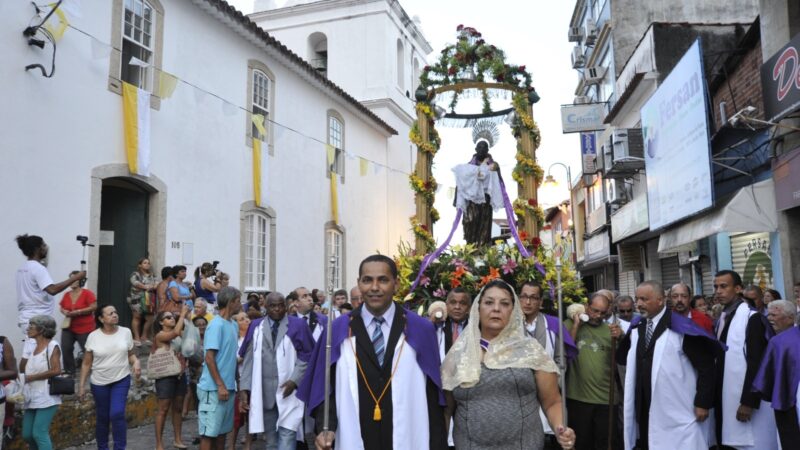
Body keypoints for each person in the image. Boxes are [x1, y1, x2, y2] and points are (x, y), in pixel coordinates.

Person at [298, 254, 447, 450]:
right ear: (359, 284)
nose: (374, 287)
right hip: (355, 433)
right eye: (367, 280)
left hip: (408, 435)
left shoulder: (421, 329)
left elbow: (432, 397)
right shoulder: (338, 330)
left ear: (396, 283)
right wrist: (327, 428)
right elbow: (326, 388)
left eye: (383, 280)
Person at [441, 280, 576, 449]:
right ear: (478, 308)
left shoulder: (531, 350)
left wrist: (559, 428)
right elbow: (446, 410)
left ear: (513, 311)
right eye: (489, 302)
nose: (496, 308)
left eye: (504, 303)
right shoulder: (459, 354)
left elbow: (552, 402)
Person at [617, 281, 718, 450]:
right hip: (644, 404)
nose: (639, 304)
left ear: (660, 300)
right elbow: (623, 358)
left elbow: (706, 366)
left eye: (644, 299)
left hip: (677, 407)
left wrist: (703, 402)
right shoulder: (638, 327)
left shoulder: (682, 328)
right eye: (637, 299)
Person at [239, 292, 315, 450]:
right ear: (265, 307)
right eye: (273, 306)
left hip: (289, 390)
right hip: (264, 391)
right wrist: (245, 388)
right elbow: (248, 359)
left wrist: (295, 380)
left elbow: (307, 355)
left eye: (281, 305)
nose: (277, 309)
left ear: (286, 307)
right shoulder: (256, 326)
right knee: (271, 441)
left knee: (287, 437)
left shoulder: (298, 325)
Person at [712, 270, 777, 450]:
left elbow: (758, 362)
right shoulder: (723, 317)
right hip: (725, 398)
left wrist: (748, 401)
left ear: (738, 288)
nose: (718, 291)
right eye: (716, 287)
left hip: (747, 402)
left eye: (724, 286)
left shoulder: (752, 318)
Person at [564, 292, 624, 450]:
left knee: (605, 444)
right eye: (594, 310)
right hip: (578, 398)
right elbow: (564, 349)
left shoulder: (611, 330)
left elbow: (624, 360)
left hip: (606, 399)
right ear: (586, 306)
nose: (598, 316)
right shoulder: (570, 324)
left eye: (603, 313)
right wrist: (577, 324)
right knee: (581, 443)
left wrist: (622, 337)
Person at [79, 305, 141, 450]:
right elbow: (86, 363)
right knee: (103, 418)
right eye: (110, 313)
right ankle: (103, 447)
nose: (115, 315)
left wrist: (136, 362)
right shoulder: (93, 336)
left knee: (117, 413)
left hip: (121, 379)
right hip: (99, 382)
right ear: (101, 319)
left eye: (115, 312)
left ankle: (120, 447)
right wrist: (81, 386)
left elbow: (131, 354)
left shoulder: (125, 332)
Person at [15, 234, 86, 356]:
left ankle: (26, 375)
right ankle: (29, 375)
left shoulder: (22, 269)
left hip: (27, 318)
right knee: (38, 355)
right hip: (38, 319)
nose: (46, 248)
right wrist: (76, 278)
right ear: (38, 249)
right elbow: (52, 289)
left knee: (31, 353)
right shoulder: (38, 268)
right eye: (43, 245)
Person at [197, 286, 242, 450]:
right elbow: (209, 358)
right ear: (231, 302)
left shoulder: (233, 325)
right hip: (213, 389)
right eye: (238, 301)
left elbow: (231, 359)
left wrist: (237, 384)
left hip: (228, 388)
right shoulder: (216, 325)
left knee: (222, 433)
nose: (240, 304)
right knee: (209, 434)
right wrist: (220, 385)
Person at [752, 300, 800, 448]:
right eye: (769, 314)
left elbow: (765, 380)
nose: (770, 318)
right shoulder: (779, 341)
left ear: (792, 318)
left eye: (774, 315)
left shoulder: (779, 341)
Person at [20, 315, 62, 450]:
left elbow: (56, 370)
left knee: (39, 433)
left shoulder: (52, 346)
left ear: (42, 329)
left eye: (32, 326)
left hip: (47, 396)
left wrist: (31, 377)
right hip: (31, 396)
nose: (28, 329)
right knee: (27, 434)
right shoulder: (33, 348)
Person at [152, 306, 191, 450]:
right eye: (168, 317)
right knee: (163, 408)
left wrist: (186, 317)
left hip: (179, 374)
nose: (172, 318)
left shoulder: (179, 334)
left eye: (172, 316)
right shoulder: (160, 335)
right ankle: (159, 443)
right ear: (161, 322)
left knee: (178, 408)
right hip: (165, 376)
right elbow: (174, 333)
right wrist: (181, 315)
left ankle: (178, 439)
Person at [453, 140, 504, 246]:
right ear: (476, 150)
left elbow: (498, 181)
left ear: (487, 150)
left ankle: (482, 248)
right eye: (479, 147)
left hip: (486, 199)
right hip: (472, 199)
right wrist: (456, 198)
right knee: (470, 220)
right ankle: (470, 246)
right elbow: (462, 181)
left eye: (484, 147)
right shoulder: (469, 166)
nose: (481, 149)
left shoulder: (493, 165)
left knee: (484, 224)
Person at [59, 271, 98, 375]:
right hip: (69, 327)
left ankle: (92, 372)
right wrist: (65, 311)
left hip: (85, 328)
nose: (71, 282)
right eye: (70, 279)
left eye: (74, 279)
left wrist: (79, 312)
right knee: (66, 349)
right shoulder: (66, 295)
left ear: (80, 281)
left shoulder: (87, 293)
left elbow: (94, 307)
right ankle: (70, 372)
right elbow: (61, 307)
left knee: (88, 351)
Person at [230, 312, 252, 450]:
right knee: (236, 418)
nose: (246, 321)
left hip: (251, 381)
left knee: (251, 416)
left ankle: (248, 445)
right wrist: (243, 357)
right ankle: (231, 445)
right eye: (242, 319)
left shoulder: (253, 338)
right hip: (236, 381)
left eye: (247, 318)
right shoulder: (233, 340)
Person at [129, 257, 158, 346]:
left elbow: (156, 284)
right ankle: (136, 337)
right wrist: (147, 287)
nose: (147, 264)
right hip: (137, 298)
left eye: (148, 263)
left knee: (150, 318)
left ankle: (144, 336)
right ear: (140, 265)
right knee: (137, 317)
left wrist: (154, 285)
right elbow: (135, 282)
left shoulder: (152, 275)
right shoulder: (135, 274)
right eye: (145, 263)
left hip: (149, 299)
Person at [437, 287, 471, 361]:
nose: (457, 307)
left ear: (469, 308)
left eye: (462, 303)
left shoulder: (475, 329)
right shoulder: (437, 326)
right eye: (453, 302)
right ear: (447, 305)